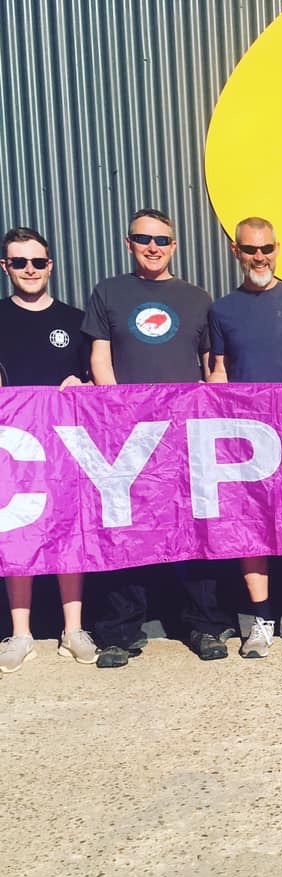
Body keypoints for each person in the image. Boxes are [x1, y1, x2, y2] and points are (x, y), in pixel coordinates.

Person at [81, 207, 237, 667]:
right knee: (125, 531)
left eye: (162, 240)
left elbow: (211, 368)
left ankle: (205, 625)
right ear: (129, 243)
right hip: (125, 435)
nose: (153, 247)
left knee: (196, 527)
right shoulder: (109, 291)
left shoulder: (197, 298)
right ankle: (119, 632)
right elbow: (100, 358)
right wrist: (116, 412)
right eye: (144, 238)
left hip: (185, 436)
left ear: (174, 245)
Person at [209, 216, 282, 660]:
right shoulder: (222, 309)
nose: (259, 257)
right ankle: (261, 621)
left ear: (277, 250)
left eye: (266, 248)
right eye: (250, 249)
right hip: (244, 437)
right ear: (236, 251)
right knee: (250, 526)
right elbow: (218, 371)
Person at [0, 227, 95, 673]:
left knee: (68, 530)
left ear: (50, 266)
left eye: (37, 262)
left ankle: (72, 629)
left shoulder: (76, 320)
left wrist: (83, 384)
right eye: (19, 262)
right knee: (17, 533)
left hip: (63, 446)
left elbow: (94, 381)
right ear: (6, 267)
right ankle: (20, 634)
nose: (30, 270)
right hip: (13, 447)